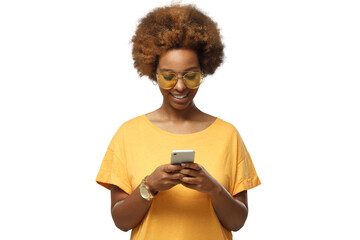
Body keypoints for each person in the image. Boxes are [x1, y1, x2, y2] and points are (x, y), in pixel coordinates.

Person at [96, 4, 261, 240]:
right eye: (168, 76)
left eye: (191, 75)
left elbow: (237, 222)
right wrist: (149, 185)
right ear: (154, 74)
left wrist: (212, 188)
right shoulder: (128, 134)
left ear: (204, 71)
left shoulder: (228, 135)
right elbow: (121, 222)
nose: (180, 86)